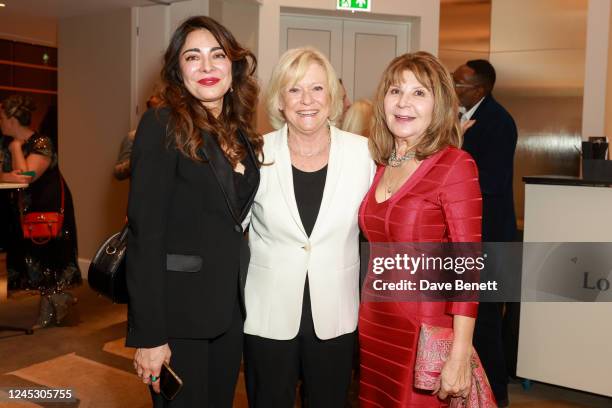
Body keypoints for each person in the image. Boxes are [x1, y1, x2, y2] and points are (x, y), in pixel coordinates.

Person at [127, 16, 262, 407]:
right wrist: (149, 335)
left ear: (233, 67)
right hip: (179, 313)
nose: (206, 66)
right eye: (193, 57)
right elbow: (144, 234)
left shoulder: (240, 131)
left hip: (229, 309)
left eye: (217, 55)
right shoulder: (161, 125)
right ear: (178, 71)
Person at [243, 47, 375, 407]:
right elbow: (225, 226)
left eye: (317, 89)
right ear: (279, 100)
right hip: (268, 312)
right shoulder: (254, 154)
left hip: (336, 313)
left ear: (333, 98)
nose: (307, 100)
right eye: (294, 89)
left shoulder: (364, 155)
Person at [358, 52, 482, 407]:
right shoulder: (384, 163)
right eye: (396, 91)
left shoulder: (455, 164)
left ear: (438, 104)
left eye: (419, 93)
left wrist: (459, 354)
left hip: (425, 331)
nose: (404, 102)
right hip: (375, 325)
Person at [453, 59, 518, 407]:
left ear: (480, 88)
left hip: (491, 238)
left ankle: (496, 397)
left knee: (488, 323)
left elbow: (491, 182)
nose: (452, 86)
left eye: (458, 83)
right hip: (473, 238)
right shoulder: (462, 115)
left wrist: (456, 153)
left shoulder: (499, 122)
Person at [0, 95, 81, 327]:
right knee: (32, 259)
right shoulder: (3, 144)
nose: (0, 122)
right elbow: (8, 174)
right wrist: (7, 174)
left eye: (3, 117)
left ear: (14, 119)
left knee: (48, 256)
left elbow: (26, 177)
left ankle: (55, 303)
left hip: (48, 208)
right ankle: (56, 302)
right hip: (23, 210)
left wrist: (16, 147)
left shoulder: (42, 142)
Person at [113, 95, 162, 180]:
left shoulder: (172, 137)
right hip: (141, 190)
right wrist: (138, 158)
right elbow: (118, 173)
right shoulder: (133, 137)